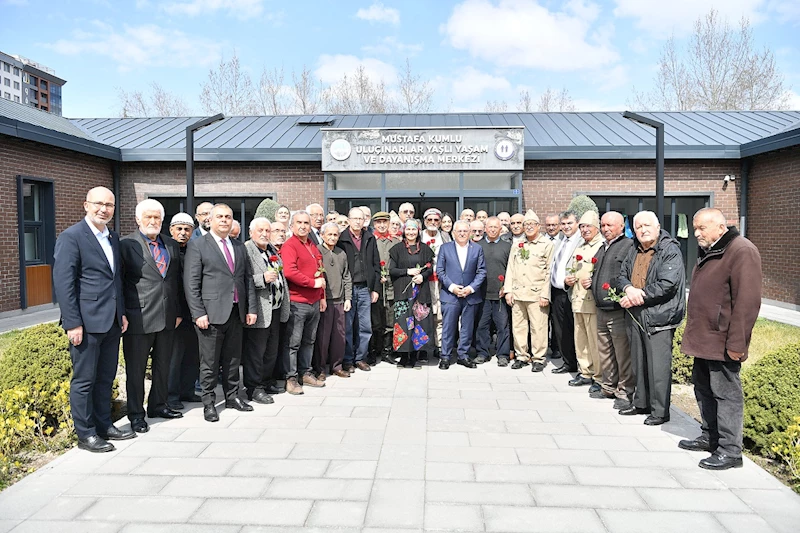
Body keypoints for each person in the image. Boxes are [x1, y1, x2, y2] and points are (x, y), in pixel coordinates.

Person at [680, 208, 761, 470]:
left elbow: (747, 303)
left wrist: (737, 344)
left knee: (726, 395)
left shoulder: (741, 250)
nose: (696, 233)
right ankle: (710, 436)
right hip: (704, 338)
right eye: (695, 228)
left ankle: (730, 450)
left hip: (723, 341)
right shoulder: (711, 249)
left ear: (720, 226)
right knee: (703, 389)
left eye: (702, 228)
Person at [53, 186, 133, 452]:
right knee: (84, 379)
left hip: (110, 321)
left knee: (105, 377)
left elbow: (115, 280)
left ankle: (104, 425)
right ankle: (85, 433)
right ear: (85, 205)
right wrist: (73, 323)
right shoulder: (72, 237)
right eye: (98, 204)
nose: (104, 209)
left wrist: (120, 312)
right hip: (85, 324)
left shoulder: (112, 238)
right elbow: (64, 284)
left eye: (109, 205)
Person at [184, 203, 258, 422]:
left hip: (236, 311)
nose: (224, 220)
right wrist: (198, 313)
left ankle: (232, 396)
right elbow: (191, 283)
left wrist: (251, 308)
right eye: (220, 217)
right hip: (211, 314)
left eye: (228, 216)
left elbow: (247, 280)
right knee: (209, 362)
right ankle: (208, 402)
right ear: (210, 220)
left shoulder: (239, 247)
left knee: (233, 359)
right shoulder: (198, 245)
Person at [615, 211, 685, 426]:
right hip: (636, 314)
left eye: (647, 225)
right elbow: (621, 275)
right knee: (638, 361)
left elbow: (667, 284)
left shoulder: (669, 250)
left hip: (659, 315)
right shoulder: (634, 250)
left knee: (658, 366)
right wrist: (627, 288)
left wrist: (637, 296)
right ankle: (641, 403)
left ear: (657, 227)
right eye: (638, 227)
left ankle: (660, 411)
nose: (643, 230)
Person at [120, 199, 184, 434]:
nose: (153, 221)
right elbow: (120, 282)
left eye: (157, 217)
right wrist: (122, 314)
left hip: (167, 317)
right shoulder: (126, 244)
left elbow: (175, 280)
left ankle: (158, 405)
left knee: (162, 365)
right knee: (136, 371)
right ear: (138, 219)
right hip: (139, 317)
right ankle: (136, 414)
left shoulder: (170, 244)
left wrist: (177, 311)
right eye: (148, 217)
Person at [242, 218, 290, 405]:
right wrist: (261, 278)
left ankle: (267, 380)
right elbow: (242, 279)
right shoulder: (247, 250)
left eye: (267, 230)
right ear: (251, 232)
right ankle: (254, 388)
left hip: (275, 308)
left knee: (271, 350)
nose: (264, 234)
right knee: (256, 351)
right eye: (260, 230)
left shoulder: (271, 250)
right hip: (259, 309)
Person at [591, 212, 635, 410]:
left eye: (610, 225)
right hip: (600, 308)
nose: (606, 229)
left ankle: (625, 391)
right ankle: (608, 386)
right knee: (605, 351)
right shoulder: (602, 247)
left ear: (621, 226)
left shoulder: (627, 246)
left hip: (617, 309)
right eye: (603, 225)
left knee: (621, 352)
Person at [281, 210, 326, 394]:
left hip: (314, 302)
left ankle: (305, 373)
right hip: (297, 302)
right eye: (299, 222)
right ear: (292, 226)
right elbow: (290, 272)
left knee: (309, 340)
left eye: (306, 223)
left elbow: (320, 270)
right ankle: (291, 378)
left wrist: (322, 295)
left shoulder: (312, 245)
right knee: (293, 343)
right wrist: (312, 283)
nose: (303, 226)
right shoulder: (290, 245)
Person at [503, 210, 553, 371]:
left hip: (536, 294)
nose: (529, 227)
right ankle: (521, 355)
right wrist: (508, 290)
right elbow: (510, 267)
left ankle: (538, 358)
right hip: (518, 293)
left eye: (532, 224)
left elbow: (549, 271)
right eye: (526, 225)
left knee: (538, 328)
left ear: (538, 226)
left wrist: (546, 294)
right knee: (518, 326)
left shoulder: (547, 244)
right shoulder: (518, 244)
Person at [436, 220, 486, 369]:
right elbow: (440, 270)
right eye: (459, 231)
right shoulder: (445, 248)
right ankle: (445, 356)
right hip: (450, 295)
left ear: (469, 233)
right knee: (448, 327)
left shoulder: (477, 249)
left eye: (465, 231)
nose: (462, 233)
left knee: (467, 327)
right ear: (453, 233)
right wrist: (452, 287)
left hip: (470, 295)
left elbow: (481, 271)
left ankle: (463, 355)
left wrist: (471, 288)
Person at [337, 207, 381, 372]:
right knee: (347, 326)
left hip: (365, 289)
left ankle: (360, 358)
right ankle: (347, 359)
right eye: (354, 218)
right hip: (347, 289)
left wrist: (375, 289)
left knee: (365, 326)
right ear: (348, 220)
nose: (357, 221)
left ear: (364, 221)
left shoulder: (370, 238)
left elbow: (376, 265)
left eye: (360, 219)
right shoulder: (341, 239)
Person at [564, 210, 604, 388]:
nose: (585, 230)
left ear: (596, 228)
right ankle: (585, 371)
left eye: (588, 226)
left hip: (592, 301)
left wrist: (594, 281)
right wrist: (568, 279)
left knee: (594, 341)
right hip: (578, 299)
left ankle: (599, 376)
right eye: (582, 226)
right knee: (580, 340)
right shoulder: (580, 247)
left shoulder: (601, 246)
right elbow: (571, 269)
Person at [166, 212, 202, 411]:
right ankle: (171, 396)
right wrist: (177, 312)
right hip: (176, 313)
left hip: (194, 311)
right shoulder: (167, 250)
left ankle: (187, 390)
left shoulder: (194, 250)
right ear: (171, 230)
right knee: (175, 356)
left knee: (192, 354)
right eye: (179, 229)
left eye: (187, 229)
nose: (183, 233)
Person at [389, 219, 435, 367]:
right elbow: (392, 270)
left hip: (420, 293)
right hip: (403, 292)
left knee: (418, 324)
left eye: (414, 229)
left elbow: (430, 268)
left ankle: (415, 355)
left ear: (418, 231)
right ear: (404, 231)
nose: (411, 232)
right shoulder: (396, 249)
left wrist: (423, 276)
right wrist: (407, 272)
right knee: (403, 324)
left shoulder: (426, 249)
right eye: (408, 229)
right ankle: (403, 356)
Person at [315, 222, 353, 378]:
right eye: (329, 234)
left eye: (335, 234)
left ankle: (336, 366)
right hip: (324, 301)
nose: (332, 237)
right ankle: (320, 369)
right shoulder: (317, 251)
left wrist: (348, 298)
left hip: (339, 300)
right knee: (322, 338)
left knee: (339, 336)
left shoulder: (341, 253)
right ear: (322, 235)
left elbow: (346, 277)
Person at [476, 217, 512, 365]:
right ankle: (482, 353)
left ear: (500, 229)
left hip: (500, 294)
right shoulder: (478, 246)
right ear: (485, 228)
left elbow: (512, 269)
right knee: (482, 325)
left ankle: (502, 354)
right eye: (489, 227)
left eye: (495, 227)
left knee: (502, 325)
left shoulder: (507, 246)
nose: (492, 230)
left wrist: (507, 286)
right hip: (482, 293)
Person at [550, 211, 582, 375]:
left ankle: (580, 364)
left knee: (575, 329)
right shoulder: (560, 240)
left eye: (569, 223)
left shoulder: (581, 241)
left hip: (572, 292)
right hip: (557, 292)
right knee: (561, 330)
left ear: (577, 223)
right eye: (563, 224)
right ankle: (568, 362)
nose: (566, 227)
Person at [371, 211, 401, 365]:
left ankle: (387, 351)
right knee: (374, 319)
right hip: (375, 287)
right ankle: (373, 350)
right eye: (378, 223)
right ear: (374, 224)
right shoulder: (370, 241)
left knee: (390, 319)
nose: (382, 225)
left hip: (391, 286)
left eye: (385, 222)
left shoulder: (396, 242)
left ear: (389, 224)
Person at [421, 208, 451, 359]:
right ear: (425, 221)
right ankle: (423, 347)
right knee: (423, 314)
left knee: (440, 314)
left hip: (440, 281)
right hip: (424, 282)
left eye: (436, 220)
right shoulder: (419, 236)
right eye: (429, 220)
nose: (432, 223)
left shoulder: (445, 236)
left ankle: (439, 345)